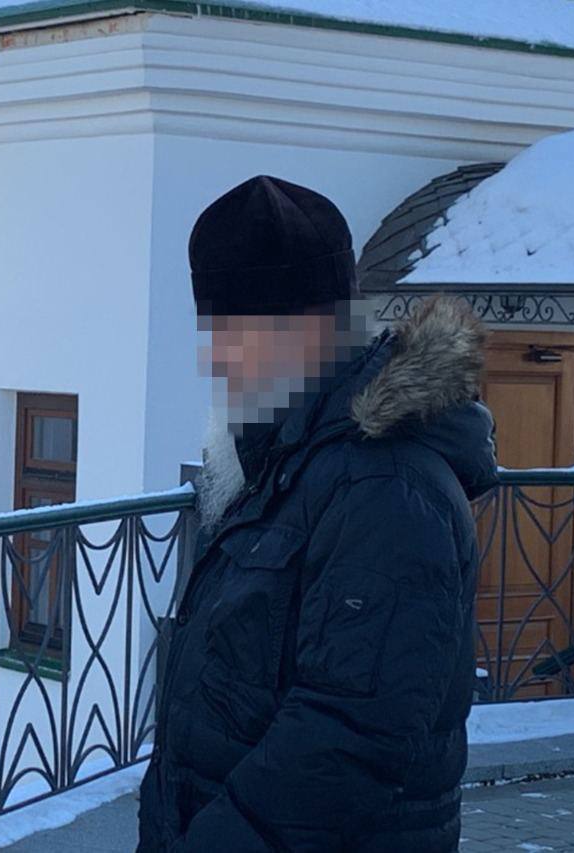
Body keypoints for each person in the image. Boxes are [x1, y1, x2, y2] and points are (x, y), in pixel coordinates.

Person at [137, 175, 498, 852]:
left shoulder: (386, 487)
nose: (214, 359)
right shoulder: (291, 457)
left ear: (305, 331)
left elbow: (347, 736)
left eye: (230, 332)